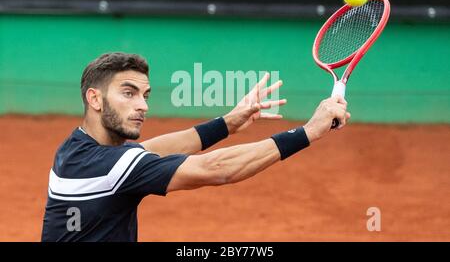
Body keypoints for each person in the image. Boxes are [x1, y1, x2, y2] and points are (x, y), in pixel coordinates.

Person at [41, 52, 350, 241]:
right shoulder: (113, 165)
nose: (142, 106)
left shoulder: (75, 149)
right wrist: (308, 132)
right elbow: (216, 169)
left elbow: (150, 150)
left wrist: (228, 123)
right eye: (129, 93)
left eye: (145, 95)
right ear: (94, 98)